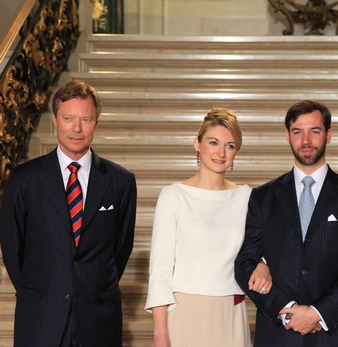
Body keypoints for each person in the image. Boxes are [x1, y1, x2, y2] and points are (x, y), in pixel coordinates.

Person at [0, 79, 137, 347]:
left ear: (96, 122)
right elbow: (13, 249)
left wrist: (92, 286)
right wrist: (42, 291)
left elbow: (121, 248)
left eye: (85, 119)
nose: (76, 128)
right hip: (41, 315)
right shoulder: (23, 179)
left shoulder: (120, 181)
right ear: (54, 120)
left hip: (98, 317)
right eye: (68, 118)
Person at [234, 100, 338, 346]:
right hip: (277, 333)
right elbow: (245, 263)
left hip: (331, 334)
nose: (306, 140)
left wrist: (317, 313)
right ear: (287, 136)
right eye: (298, 132)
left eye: (315, 131)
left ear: (328, 135)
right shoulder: (263, 196)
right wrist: (284, 308)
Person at [145, 108, 271, 347]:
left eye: (230, 145)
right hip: (183, 312)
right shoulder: (174, 195)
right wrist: (160, 334)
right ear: (197, 144)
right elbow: (159, 272)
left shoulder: (247, 197)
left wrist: (263, 263)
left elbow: (258, 248)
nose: (221, 152)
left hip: (230, 312)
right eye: (213, 142)